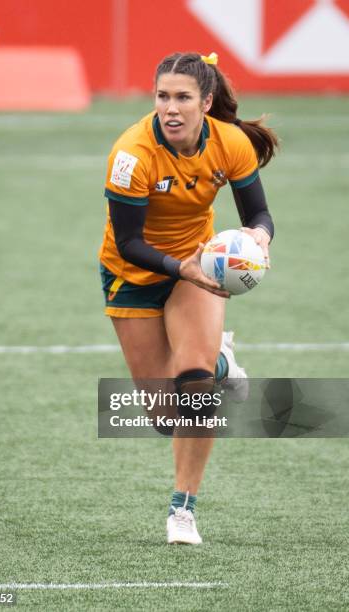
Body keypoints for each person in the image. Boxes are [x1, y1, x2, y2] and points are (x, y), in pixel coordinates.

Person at [99, 52, 278, 544]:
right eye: (162, 97)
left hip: (196, 269)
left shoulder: (230, 142)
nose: (170, 109)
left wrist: (259, 237)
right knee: (162, 417)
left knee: (194, 389)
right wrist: (184, 268)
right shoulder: (131, 154)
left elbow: (259, 213)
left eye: (182, 98)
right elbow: (131, 242)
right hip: (133, 273)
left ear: (207, 101)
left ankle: (183, 510)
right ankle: (222, 361)